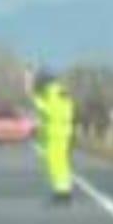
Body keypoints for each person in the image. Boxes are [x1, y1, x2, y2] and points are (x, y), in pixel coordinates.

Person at [30, 69, 77, 205]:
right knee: (60, 164)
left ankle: (62, 193)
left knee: (56, 163)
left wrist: (38, 103)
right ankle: (62, 191)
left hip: (56, 133)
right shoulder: (60, 92)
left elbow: (52, 112)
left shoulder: (53, 93)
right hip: (61, 132)